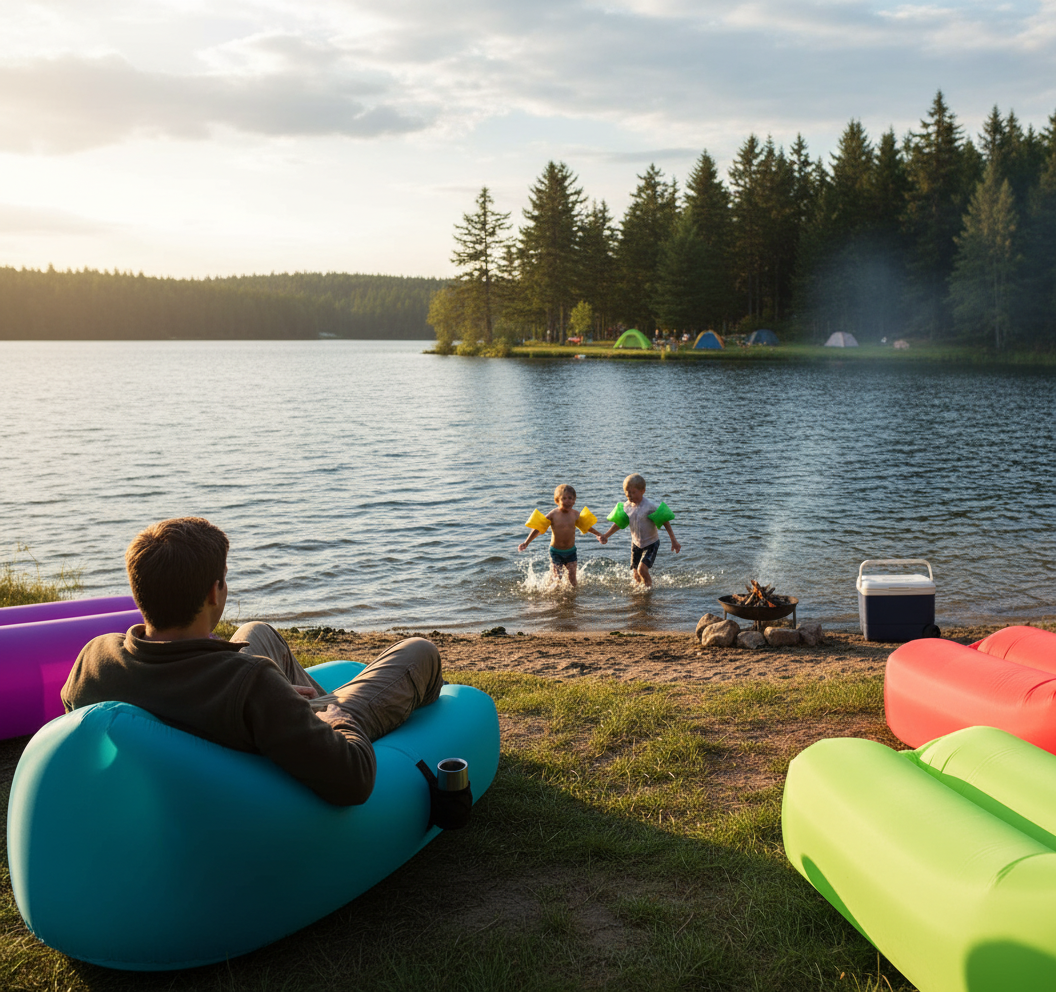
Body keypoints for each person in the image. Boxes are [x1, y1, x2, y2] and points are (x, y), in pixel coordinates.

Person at [61, 517, 444, 807]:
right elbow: (354, 781)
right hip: (273, 744)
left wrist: (275, 700)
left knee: (255, 630)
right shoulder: (248, 682)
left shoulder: (95, 658)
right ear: (214, 592)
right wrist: (328, 715)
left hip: (225, 721)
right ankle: (351, 705)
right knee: (419, 651)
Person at [599, 473, 681, 587]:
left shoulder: (650, 506)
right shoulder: (626, 507)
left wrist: (674, 540)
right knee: (635, 574)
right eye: (627, 492)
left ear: (643, 491)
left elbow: (665, 521)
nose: (630, 495)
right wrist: (606, 535)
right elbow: (619, 523)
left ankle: (648, 592)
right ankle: (639, 596)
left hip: (651, 543)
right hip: (636, 544)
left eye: (633, 492)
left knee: (642, 570)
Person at [517, 483, 603, 587]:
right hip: (556, 552)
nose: (568, 501)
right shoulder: (553, 514)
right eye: (564, 498)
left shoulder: (575, 515)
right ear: (557, 500)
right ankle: (553, 595)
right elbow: (538, 528)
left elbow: (586, 526)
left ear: (574, 500)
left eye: (570, 498)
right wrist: (527, 542)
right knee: (557, 577)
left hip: (571, 551)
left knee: (572, 577)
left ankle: (574, 598)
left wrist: (598, 535)